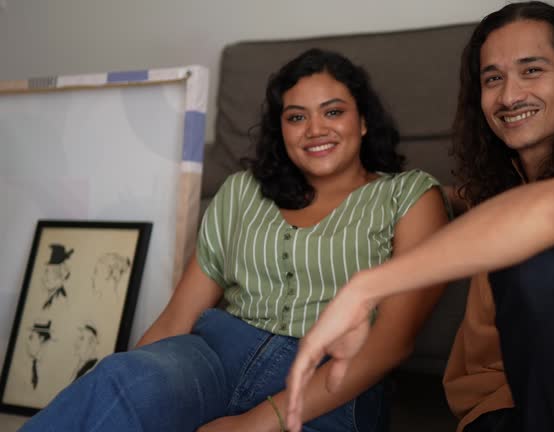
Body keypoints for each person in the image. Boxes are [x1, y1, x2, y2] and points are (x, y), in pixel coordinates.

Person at [285, 3, 554, 432]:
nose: (509, 96)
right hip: (493, 418)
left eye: (532, 70)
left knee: (538, 247)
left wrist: (368, 288)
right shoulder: (496, 190)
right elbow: (434, 196)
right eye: (493, 79)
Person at [21, 48, 448, 432]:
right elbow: (177, 319)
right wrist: (134, 382)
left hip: (332, 380)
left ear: (364, 119)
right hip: (214, 356)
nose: (315, 129)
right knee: (123, 380)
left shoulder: (409, 196)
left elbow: (391, 342)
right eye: (297, 117)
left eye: (333, 112)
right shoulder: (243, 191)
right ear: (281, 129)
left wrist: (255, 422)